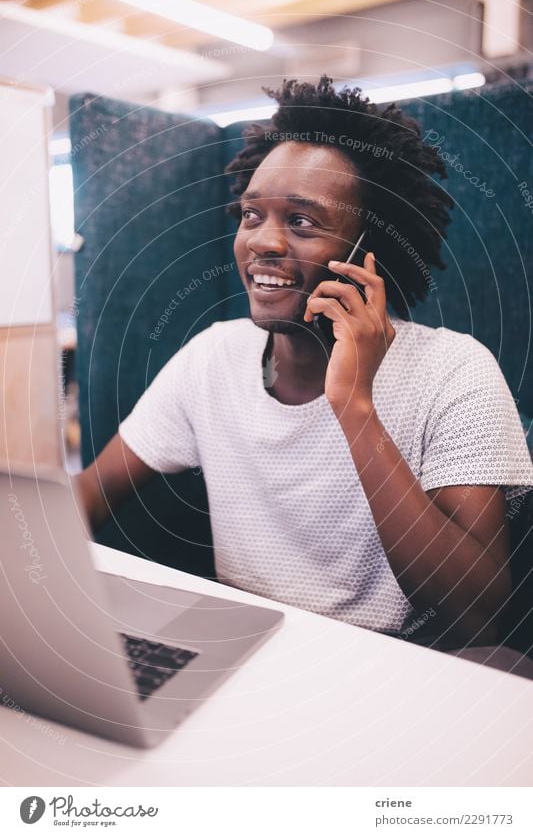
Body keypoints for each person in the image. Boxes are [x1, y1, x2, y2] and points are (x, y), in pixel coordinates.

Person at [76, 76, 533, 665]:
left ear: (371, 251)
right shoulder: (213, 357)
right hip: (246, 657)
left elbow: (478, 616)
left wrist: (353, 405)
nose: (263, 241)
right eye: (251, 215)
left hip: (396, 669)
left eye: (302, 222)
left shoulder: (454, 370)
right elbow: (85, 496)